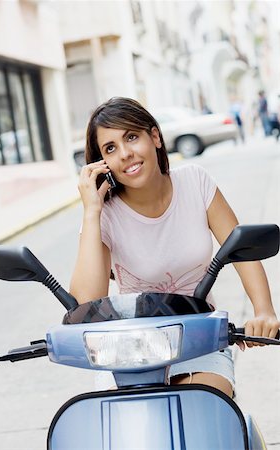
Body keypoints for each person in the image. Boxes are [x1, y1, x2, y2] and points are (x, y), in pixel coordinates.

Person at [68, 97, 280, 398]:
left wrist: (264, 310)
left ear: (154, 136)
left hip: (199, 337)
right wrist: (91, 211)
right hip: (131, 348)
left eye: (131, 137)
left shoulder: (195, 182)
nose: (126, 154)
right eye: (110, 148)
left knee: (204, 404)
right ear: (102, 163)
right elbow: (85, 304)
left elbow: (241, 249)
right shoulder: (105, 214)